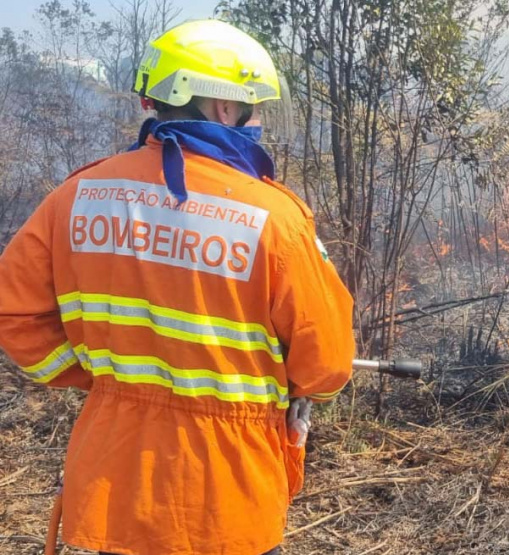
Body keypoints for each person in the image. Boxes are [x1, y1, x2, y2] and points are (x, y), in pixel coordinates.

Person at [0, 19, 355, 555]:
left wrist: (108, 384)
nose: (257, 120)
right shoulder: (273, 219)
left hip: (115, 481)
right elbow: (325, 365)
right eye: (254, 106)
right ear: (224, 109)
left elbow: (14, 315)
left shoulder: (77, 195)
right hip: (226, 493)